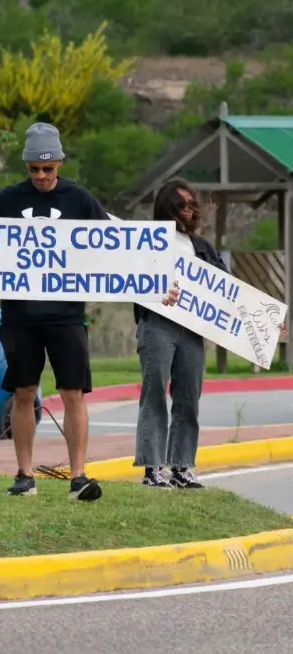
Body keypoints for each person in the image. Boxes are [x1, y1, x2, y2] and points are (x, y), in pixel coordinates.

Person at [0, 122, 178, 501]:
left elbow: (115, 249)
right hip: (20, 316)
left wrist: (155, 285)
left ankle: (79, 476)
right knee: (24, 393)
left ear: (59, 162)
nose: (41, 176)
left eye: (48, 169)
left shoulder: (80, 199)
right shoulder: (7, 200)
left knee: (73, 392)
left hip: (67, 315)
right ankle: (24, 475)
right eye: (33, 170)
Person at [134, 180, 226, 489]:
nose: (187, 211)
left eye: (190, 206)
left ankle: (182, 466)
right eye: (180, 206)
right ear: (166, 208)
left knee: (189, 397)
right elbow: (129, 277)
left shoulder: (201, 247)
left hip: (192, 329)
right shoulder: (147, 240)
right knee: (155, 393)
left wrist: (264, 324)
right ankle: (152, 467)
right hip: (158, 323)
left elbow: (230, 290)